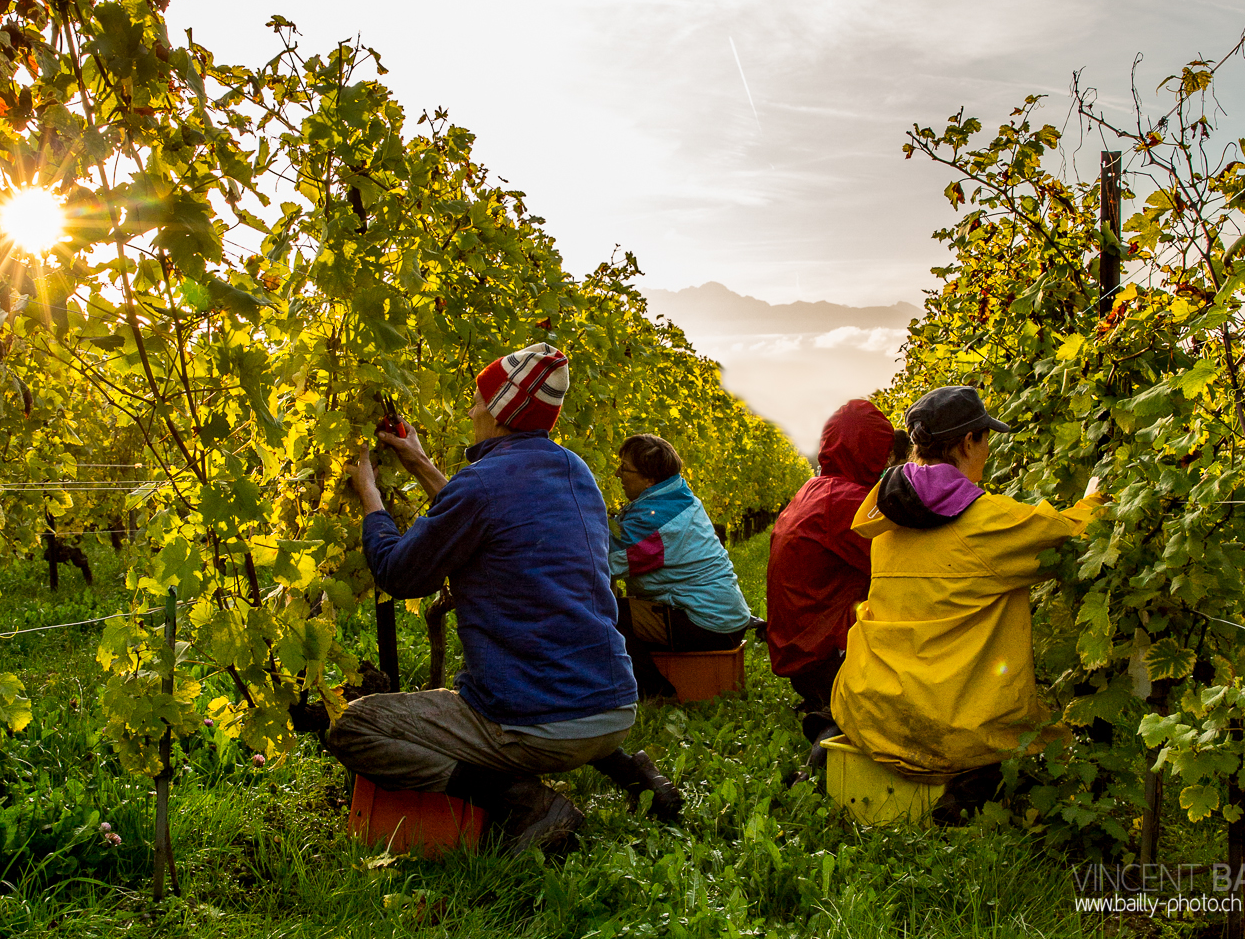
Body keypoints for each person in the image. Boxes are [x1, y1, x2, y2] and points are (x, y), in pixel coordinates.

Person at [324, 343, 678, 852]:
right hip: (615, 707)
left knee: (354, 726)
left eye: (477, 401)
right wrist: (420, 461)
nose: (470, 411)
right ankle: (635, 774)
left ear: (501, 411)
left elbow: (401, 575)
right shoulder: (575, 472)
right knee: (560, 661)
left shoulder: (483, 486)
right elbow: (487, 516)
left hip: (535, 723)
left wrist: (371, 497)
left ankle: (519, 802)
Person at [833, 385, 1105, 817]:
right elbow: (1072, 536)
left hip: (873, 708)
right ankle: (968, 790)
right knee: (1052, 742)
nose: (989, 449)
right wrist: (1095, 501)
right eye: (986, 438)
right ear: (966, 442)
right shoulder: (987, 522)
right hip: (947, 724)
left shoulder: (884, 516)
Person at [764, 400, 897, 718]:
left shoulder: (813, 490)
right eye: (884, 450)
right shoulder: (849, 502)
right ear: (868, 450)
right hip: (825, 659)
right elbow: (904, 564)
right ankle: (838, 717)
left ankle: (827, 705)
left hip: (800, 655)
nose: (888, 460)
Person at [608, 434, 751, 699]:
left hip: (708, 623)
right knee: (620, 609)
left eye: (624, 468)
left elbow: (604, 562)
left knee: (605, 613)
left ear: (650, 479)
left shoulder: (657, 522)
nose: (617, 474)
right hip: (722, 617)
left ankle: (656, 693)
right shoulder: (675, 499)